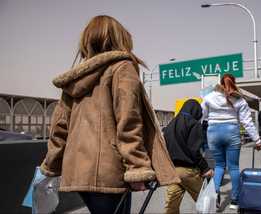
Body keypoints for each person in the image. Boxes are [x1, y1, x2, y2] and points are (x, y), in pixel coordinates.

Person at [39, 15, 180, 214]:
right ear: (119, 38)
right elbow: (128, 121)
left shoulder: (74, 79)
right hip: (109, 172)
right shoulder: (123, 67)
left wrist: (50, 167)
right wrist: (137, 167)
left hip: (77, 173)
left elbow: (60, 127)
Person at [201, 73, 261, 210]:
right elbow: (247, 122)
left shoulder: (209, 96)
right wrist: (257, 140)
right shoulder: (239, 99)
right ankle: (235, 201)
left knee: (218, 166)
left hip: (213, 133)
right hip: (231, 132)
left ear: (220, 83)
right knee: (233, 167)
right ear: (233, 83)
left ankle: (214, 196)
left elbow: (202, 116)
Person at [163, 99, 214, 214]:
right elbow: (194, 150)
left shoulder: (171, 123)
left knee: (171, 205)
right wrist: (205, 168)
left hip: (172, 170)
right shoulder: (193, 124)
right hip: (188, 171)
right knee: (205, 202)